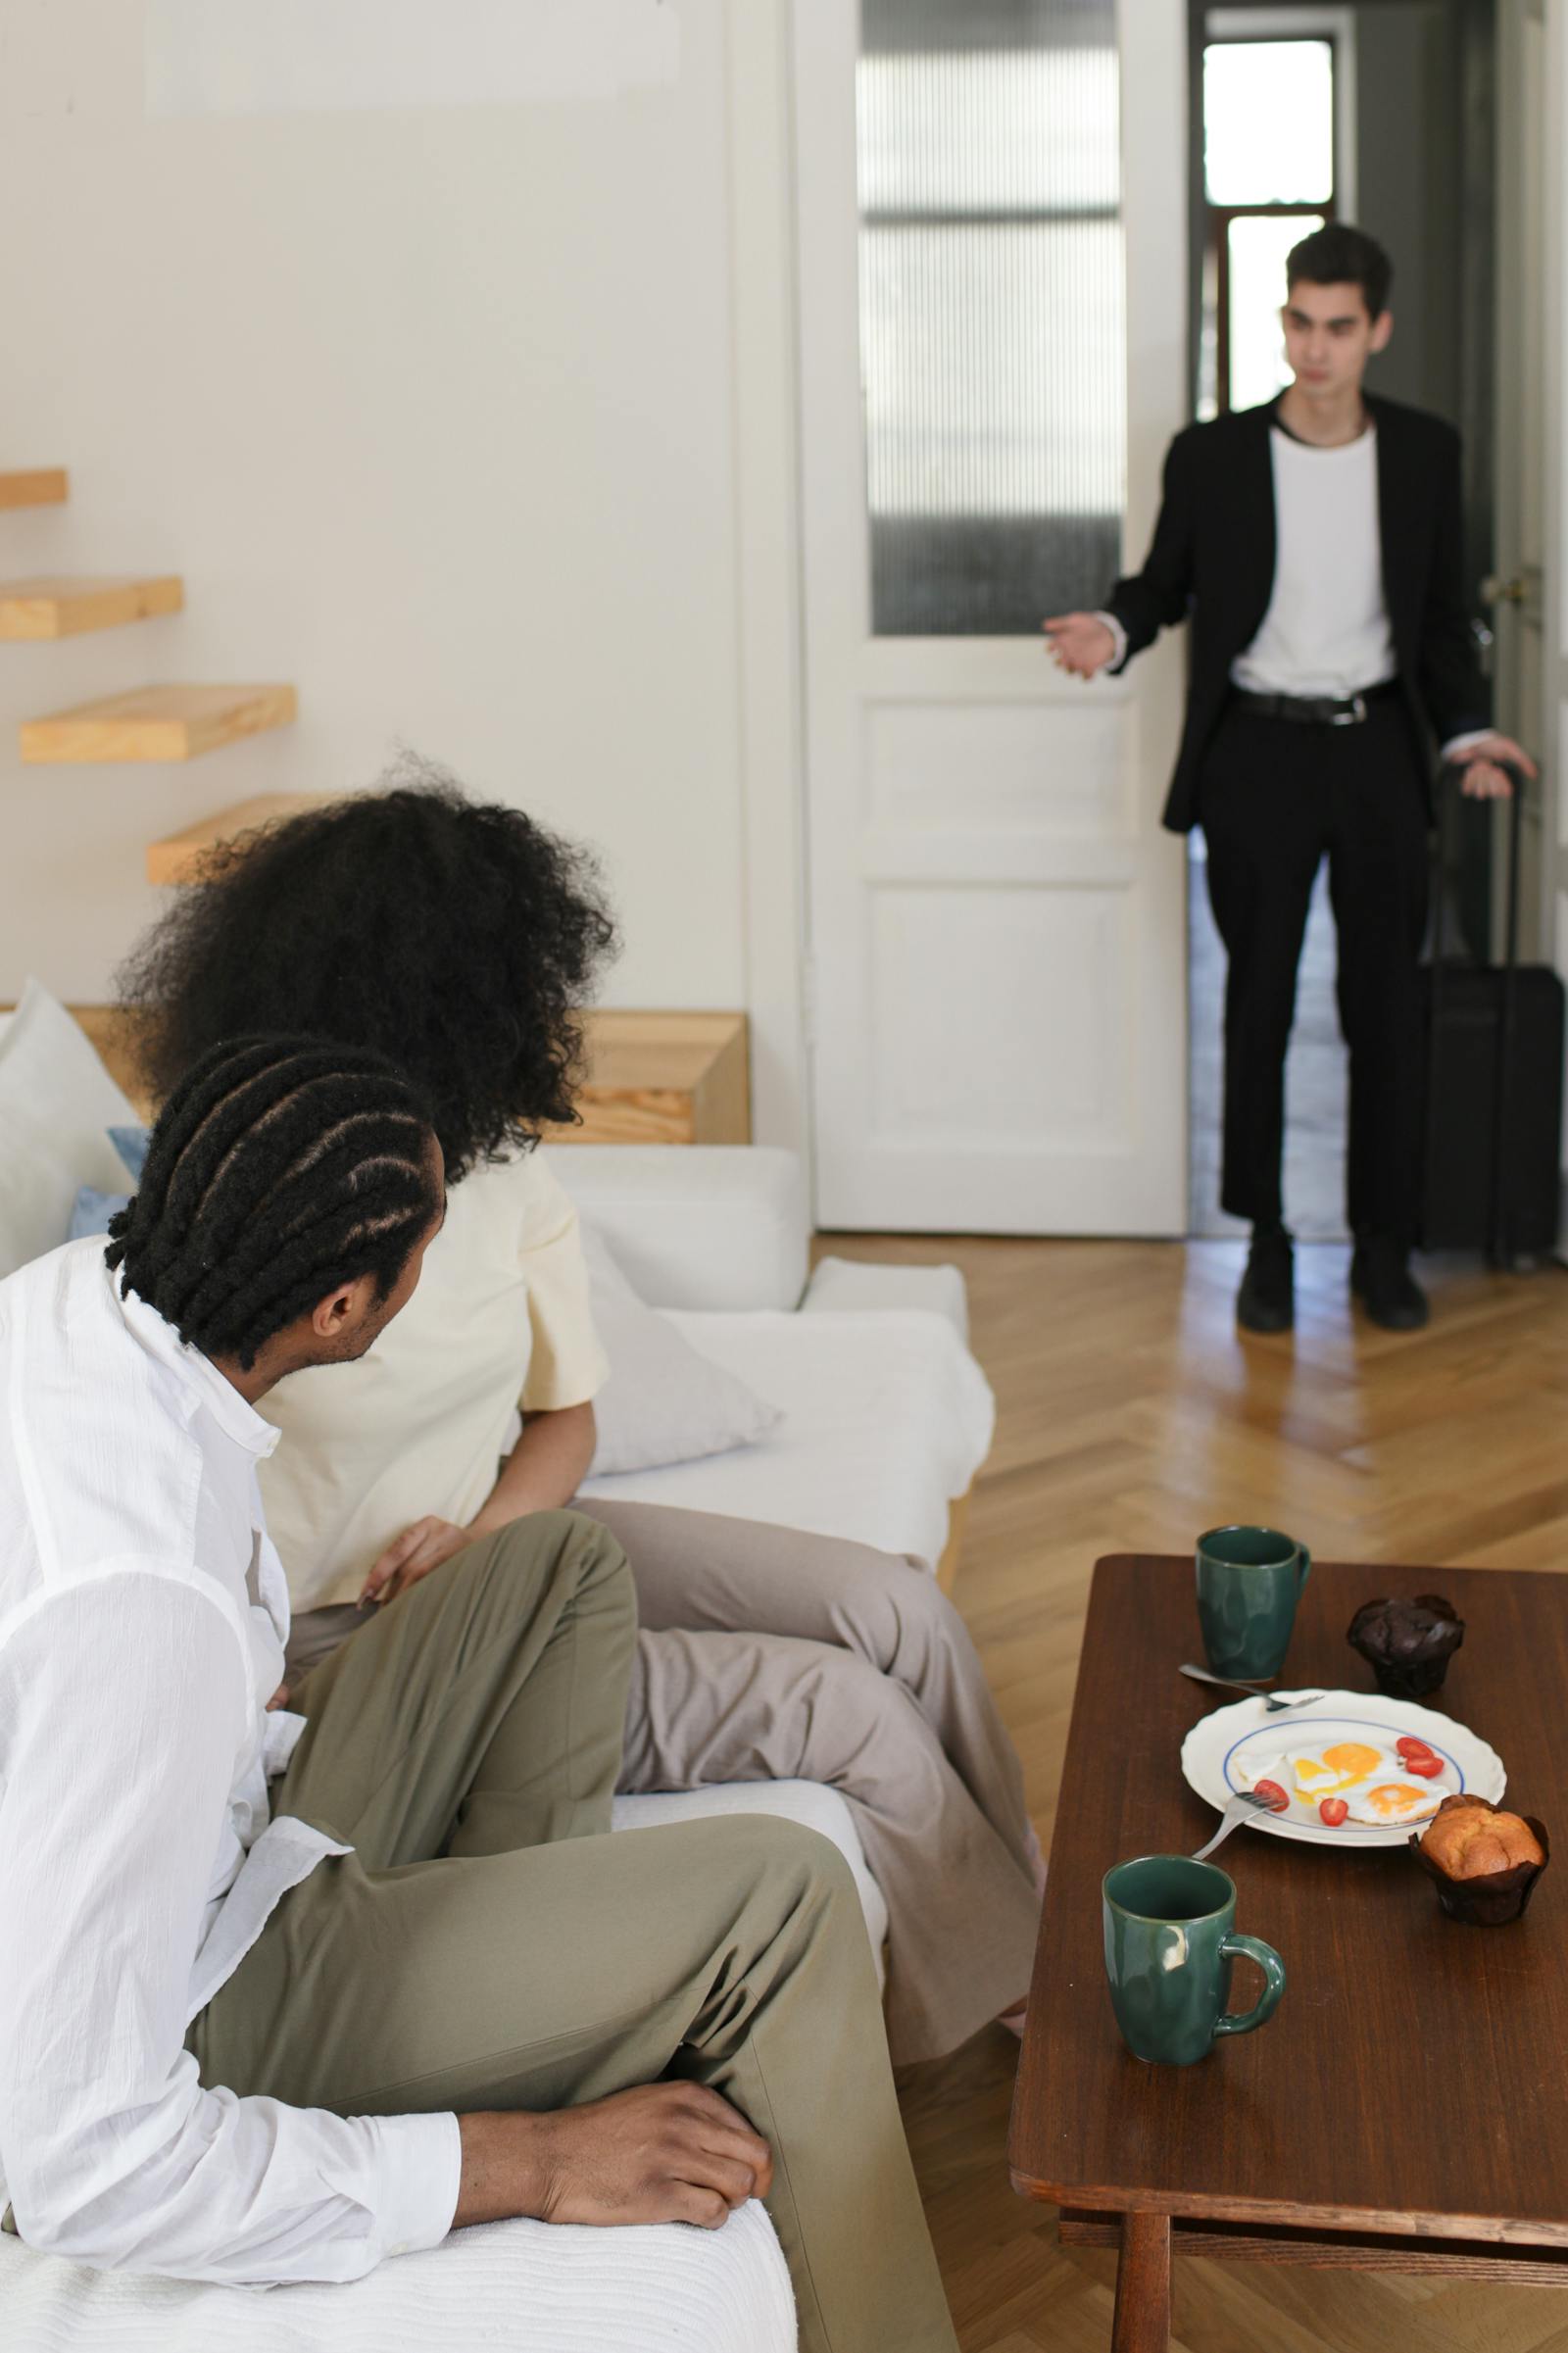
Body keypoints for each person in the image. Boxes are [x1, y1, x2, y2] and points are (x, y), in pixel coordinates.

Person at [0, 1033, 959, 2351]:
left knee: (555, 1564)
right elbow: (80, 2157)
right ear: (344, 1309)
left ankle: (532, 1982)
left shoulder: (77, 1302)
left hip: (227, 1831)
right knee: (779, 1891)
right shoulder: (136, 1600)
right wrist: (531, 2162)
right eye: (430, 1243)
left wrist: (231, 1698)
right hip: (198, 1994)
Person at [113, 769, 1043, 2066]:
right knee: (858, 1720)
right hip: (350, 1648)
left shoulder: (499, 1174)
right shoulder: (240, 1204)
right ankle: (992, 2010)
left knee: (900, 1612)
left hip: (519, 1548)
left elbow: (566, 1419)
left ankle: (1029, 1941)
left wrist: (489, 1530)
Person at [1045, 222, 1535, 1335]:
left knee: (1383, 1011)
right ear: (1282, 323)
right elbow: (1160, 585)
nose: (1315, 350)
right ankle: (1266, 1242)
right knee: (1256, 1006)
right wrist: (1112, 633)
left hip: (1374, 753)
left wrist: (1467, 732)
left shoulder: (1423, 452)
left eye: (1339, 329)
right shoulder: (1212, 455)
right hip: (1255, 757)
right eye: (1299, 324)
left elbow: (1442, 619)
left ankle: (1381, 1246)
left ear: (1378, 332)